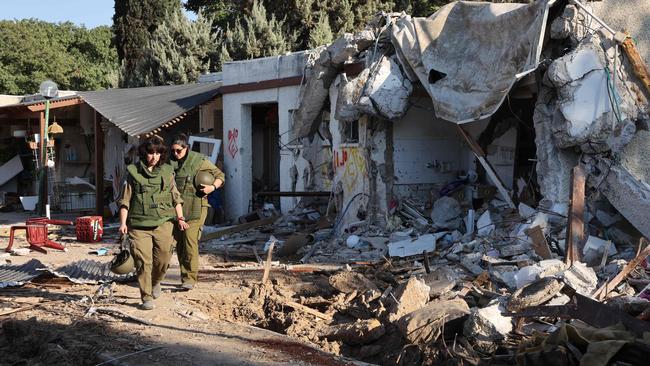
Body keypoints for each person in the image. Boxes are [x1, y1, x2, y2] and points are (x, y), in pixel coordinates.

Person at [118, 136, 189, 310]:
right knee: (143, 261)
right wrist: (123, 223)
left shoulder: (167, 171)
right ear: (144, 153)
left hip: (164, 222)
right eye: (151, 152)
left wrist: (180, 218)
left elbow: (176, 197)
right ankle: (146, 296)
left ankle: (156, 282)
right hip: (139, 225)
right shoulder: (133, 172)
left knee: (163, 258)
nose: (154, 156)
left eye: (158, 153)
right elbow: (125, 200)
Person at [170, 133, 225, 290]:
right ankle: (184, 276)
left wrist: (212, 187)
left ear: (186, 148)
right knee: (179, 244)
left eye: (178, 151)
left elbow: (220, 175)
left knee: (189, 241)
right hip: (177, 209)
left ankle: (190, 278)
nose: (175, 154)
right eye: (173, 151)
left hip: (196, 207)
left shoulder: (198, 161)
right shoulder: (170, 162)